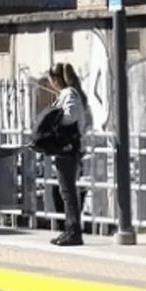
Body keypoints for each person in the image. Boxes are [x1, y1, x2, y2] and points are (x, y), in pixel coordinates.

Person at [45, 63, 90, 245]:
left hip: (67, 148)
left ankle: (73, 231)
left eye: (52, 80)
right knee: (65, 192)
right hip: (67, 149)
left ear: (56, 79)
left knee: (67, 192)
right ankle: (69, 229)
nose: (51, 84)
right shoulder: (70, 94)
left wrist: (53, 120)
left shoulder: (69, 94)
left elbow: (69, 117)